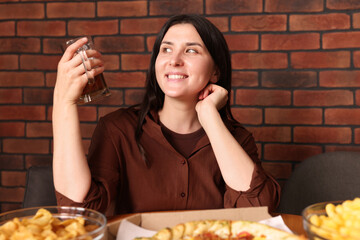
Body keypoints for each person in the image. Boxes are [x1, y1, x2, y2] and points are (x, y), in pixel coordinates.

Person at [52, 14, 280, 216]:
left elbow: (258, 212)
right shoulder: (117, 129)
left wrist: (210, 116)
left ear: (215, 71)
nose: (174, 60)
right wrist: (63, 102)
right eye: (166, 49)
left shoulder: (237, 139)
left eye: (191, 50)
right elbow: (79, 214)